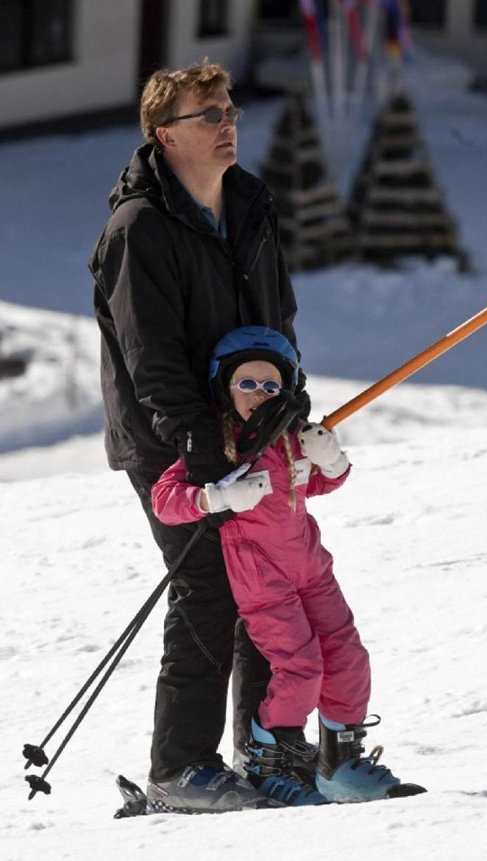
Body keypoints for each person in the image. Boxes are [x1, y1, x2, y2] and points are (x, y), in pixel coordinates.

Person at [89, 60, 309, 813]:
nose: (227, 125)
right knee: (210, 582)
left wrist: (291, 402)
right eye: (207, 115)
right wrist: (197, 443)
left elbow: (277, 316)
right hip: (168, 438)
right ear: (164, 134)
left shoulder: (248, 201)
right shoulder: (139, 227)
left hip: (246, 423)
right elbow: (150, 355)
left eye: (229, 111)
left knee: (266, 580)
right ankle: (180, 764)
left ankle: (265, 744)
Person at [150, 326, 416, 808]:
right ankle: (267, 764)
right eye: (247, 384)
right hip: (262, 578)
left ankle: (340, 764)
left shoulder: (291, 437)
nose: (259, 394)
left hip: (311, 567)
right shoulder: (217, 445)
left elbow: (315, 486)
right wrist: (217, 496)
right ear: (225, 388)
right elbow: (166, 501)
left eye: (271, 386)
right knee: (300, 666)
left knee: (349, 657)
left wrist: (330, 461)